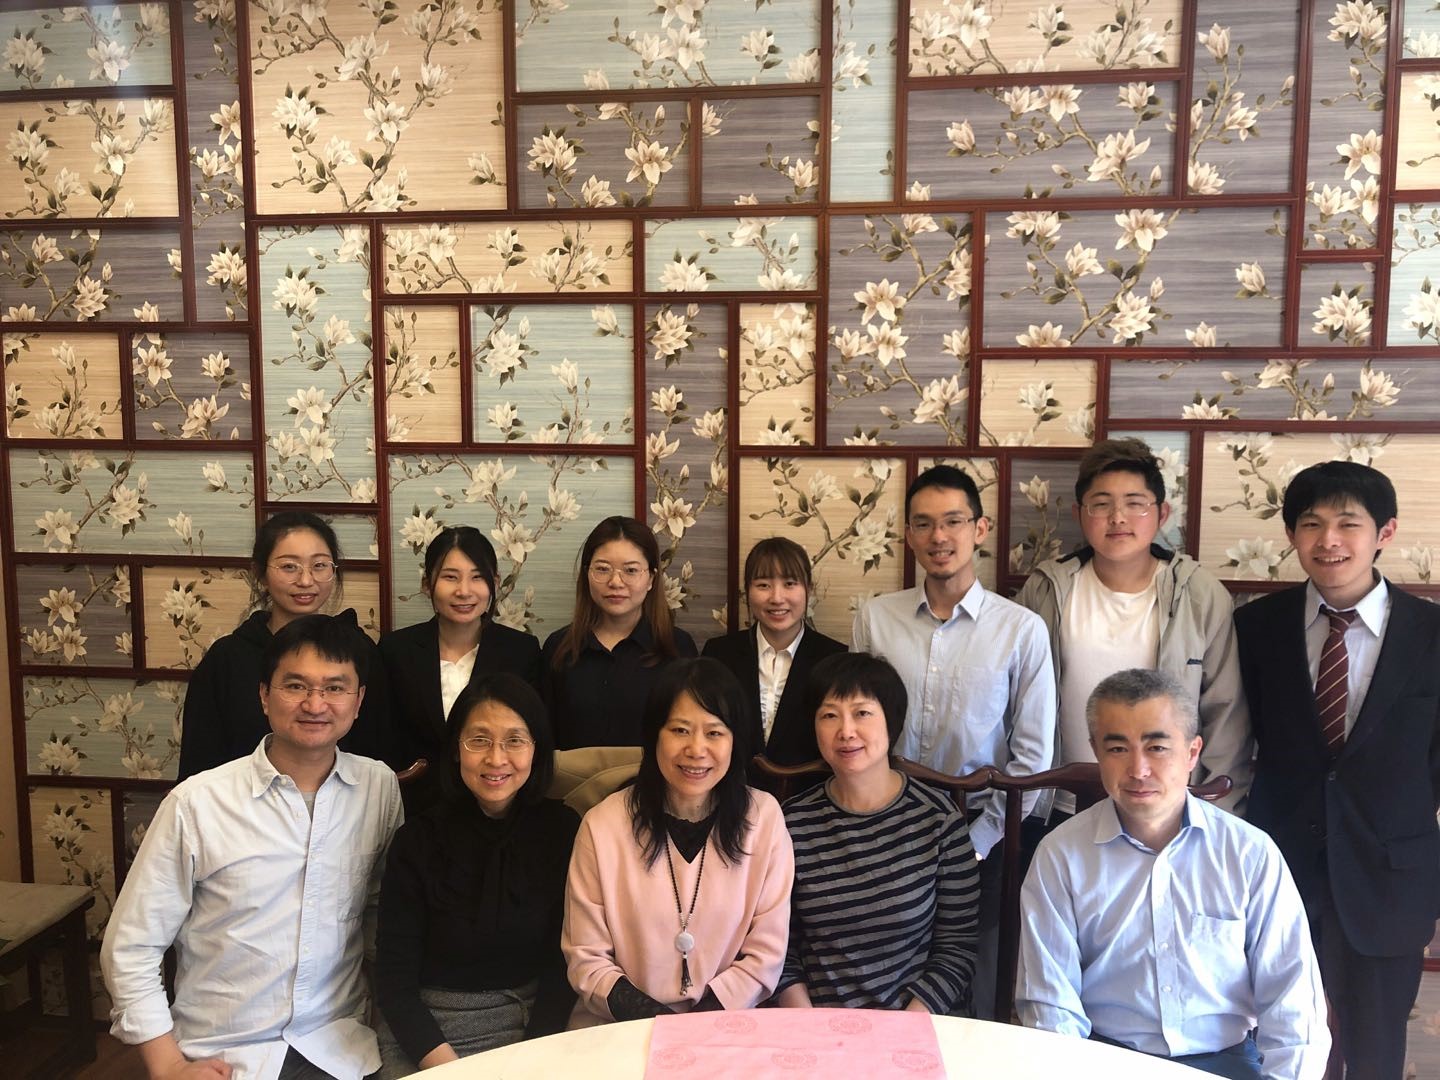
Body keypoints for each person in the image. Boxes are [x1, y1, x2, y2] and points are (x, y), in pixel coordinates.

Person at [101, 614, 404, 1080]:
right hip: (223, 1053)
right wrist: (169, 1066)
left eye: (335, 688)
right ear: (264, 695)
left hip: (341, 1048)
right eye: (296, 686)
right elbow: (131, 946)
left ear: (358, 700)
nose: (315, 704)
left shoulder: (378, 788)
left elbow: (383, 915)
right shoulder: (197, 803)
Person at [1017, 668, 1329, 1079]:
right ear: (1096, 751)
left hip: (1225, 1062)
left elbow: (1293, 1004)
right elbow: (1051, 1006)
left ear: (1192, 752)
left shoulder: (1249, 854)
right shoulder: (1060, 855)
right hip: (1105, 1059)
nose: (1138, 769)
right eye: (1117, 749)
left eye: (1158, 747)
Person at [1235, 461, 1440, 1080]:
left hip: (1389, 880)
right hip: (1278, 870)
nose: (1329, 540)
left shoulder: (1432, 633)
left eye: (1348, 523)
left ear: (1385, 532)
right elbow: (1240, 739)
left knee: (1376, 1055)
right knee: (1274, 1048)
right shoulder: (1254, 627)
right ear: (1291, 535)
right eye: (1311, 524)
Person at [851, 463, 1054, 1018]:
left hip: (983, 834)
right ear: (908, 535)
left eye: (953, 521)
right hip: (885, 828)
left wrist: (979, 841)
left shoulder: (1021, 629)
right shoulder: (876, 618)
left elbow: (1033, 756)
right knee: (888, 976)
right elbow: (856, 728)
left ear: (980, 529)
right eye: (923, 523)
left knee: (975, 983)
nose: (938, 536)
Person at [1017, 438, 1250, 816]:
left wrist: (1217, 814)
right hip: (1060, 803)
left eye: (1135, 503)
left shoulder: (1199, 594)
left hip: (1165, 808)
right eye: (1101, 504)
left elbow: (1226, 715)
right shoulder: (1045, 589)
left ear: (1162, 513)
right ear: (1079, 514)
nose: (1118, 517)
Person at [562, 657, 793, 1026]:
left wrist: (693, 1030)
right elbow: (587, 959)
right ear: (654, 735)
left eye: (714, 733)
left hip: (727, 1026)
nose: (696, 749)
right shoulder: (602, 825)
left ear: (736, 740)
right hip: (619, 1026)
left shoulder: (763, 819)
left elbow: (766, 955)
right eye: (680, 730)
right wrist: (663, 1027)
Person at [374, 674, 578, 1076]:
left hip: (531, 1027)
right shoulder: (416, 840)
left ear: (537, 748)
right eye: (479, 740)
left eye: (515, 740)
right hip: (431, 1034)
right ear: (455, 749)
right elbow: (394, 982)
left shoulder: (563, 830)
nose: (496, 759)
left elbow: (563, 967)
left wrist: (532, 1059)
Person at [777, 652, 979, 1012]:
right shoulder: (791, 823)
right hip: (816, 1024)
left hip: (915, 1022)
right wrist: (808, 1026)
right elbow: (778, 946)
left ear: (892, 721)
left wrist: (904, 1029)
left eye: (862, 713)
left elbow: (957, 947)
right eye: (829, 715)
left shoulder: (938, 819)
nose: (846, 731)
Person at [178, 510, 388, 779]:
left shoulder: (358, 650)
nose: (306, 580)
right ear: (260, 573)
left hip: (341, 802)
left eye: (319, 565)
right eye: (289, 566)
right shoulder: (227, 659)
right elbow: (199, 766)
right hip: (241, 802)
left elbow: (377, 751)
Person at [379, 527, 541, 808]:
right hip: (416, 806)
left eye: (477, 577)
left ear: (494, 582)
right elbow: (383, 738)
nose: (464, 591)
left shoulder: (522, 651)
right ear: (427, 584)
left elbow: (534, 736)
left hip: (498, 804)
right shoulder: (396, 650)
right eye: (450, 577)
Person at [541, 516, 697, 749]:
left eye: (631, 570)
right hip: (573, 774)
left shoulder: (677, 648)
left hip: (651, 774)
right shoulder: (559, 647)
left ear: (651, 578)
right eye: (602, 569)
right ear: (587, 574)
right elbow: (544, 737)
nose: (615, 582)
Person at [701, 536, 846, 765]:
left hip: (810, 785)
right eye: (763, 585)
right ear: (747, 590)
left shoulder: (836, 659)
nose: (777, 598)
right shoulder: (719, 654)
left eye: (789, 584)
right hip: (732, 784)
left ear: (809, 589)